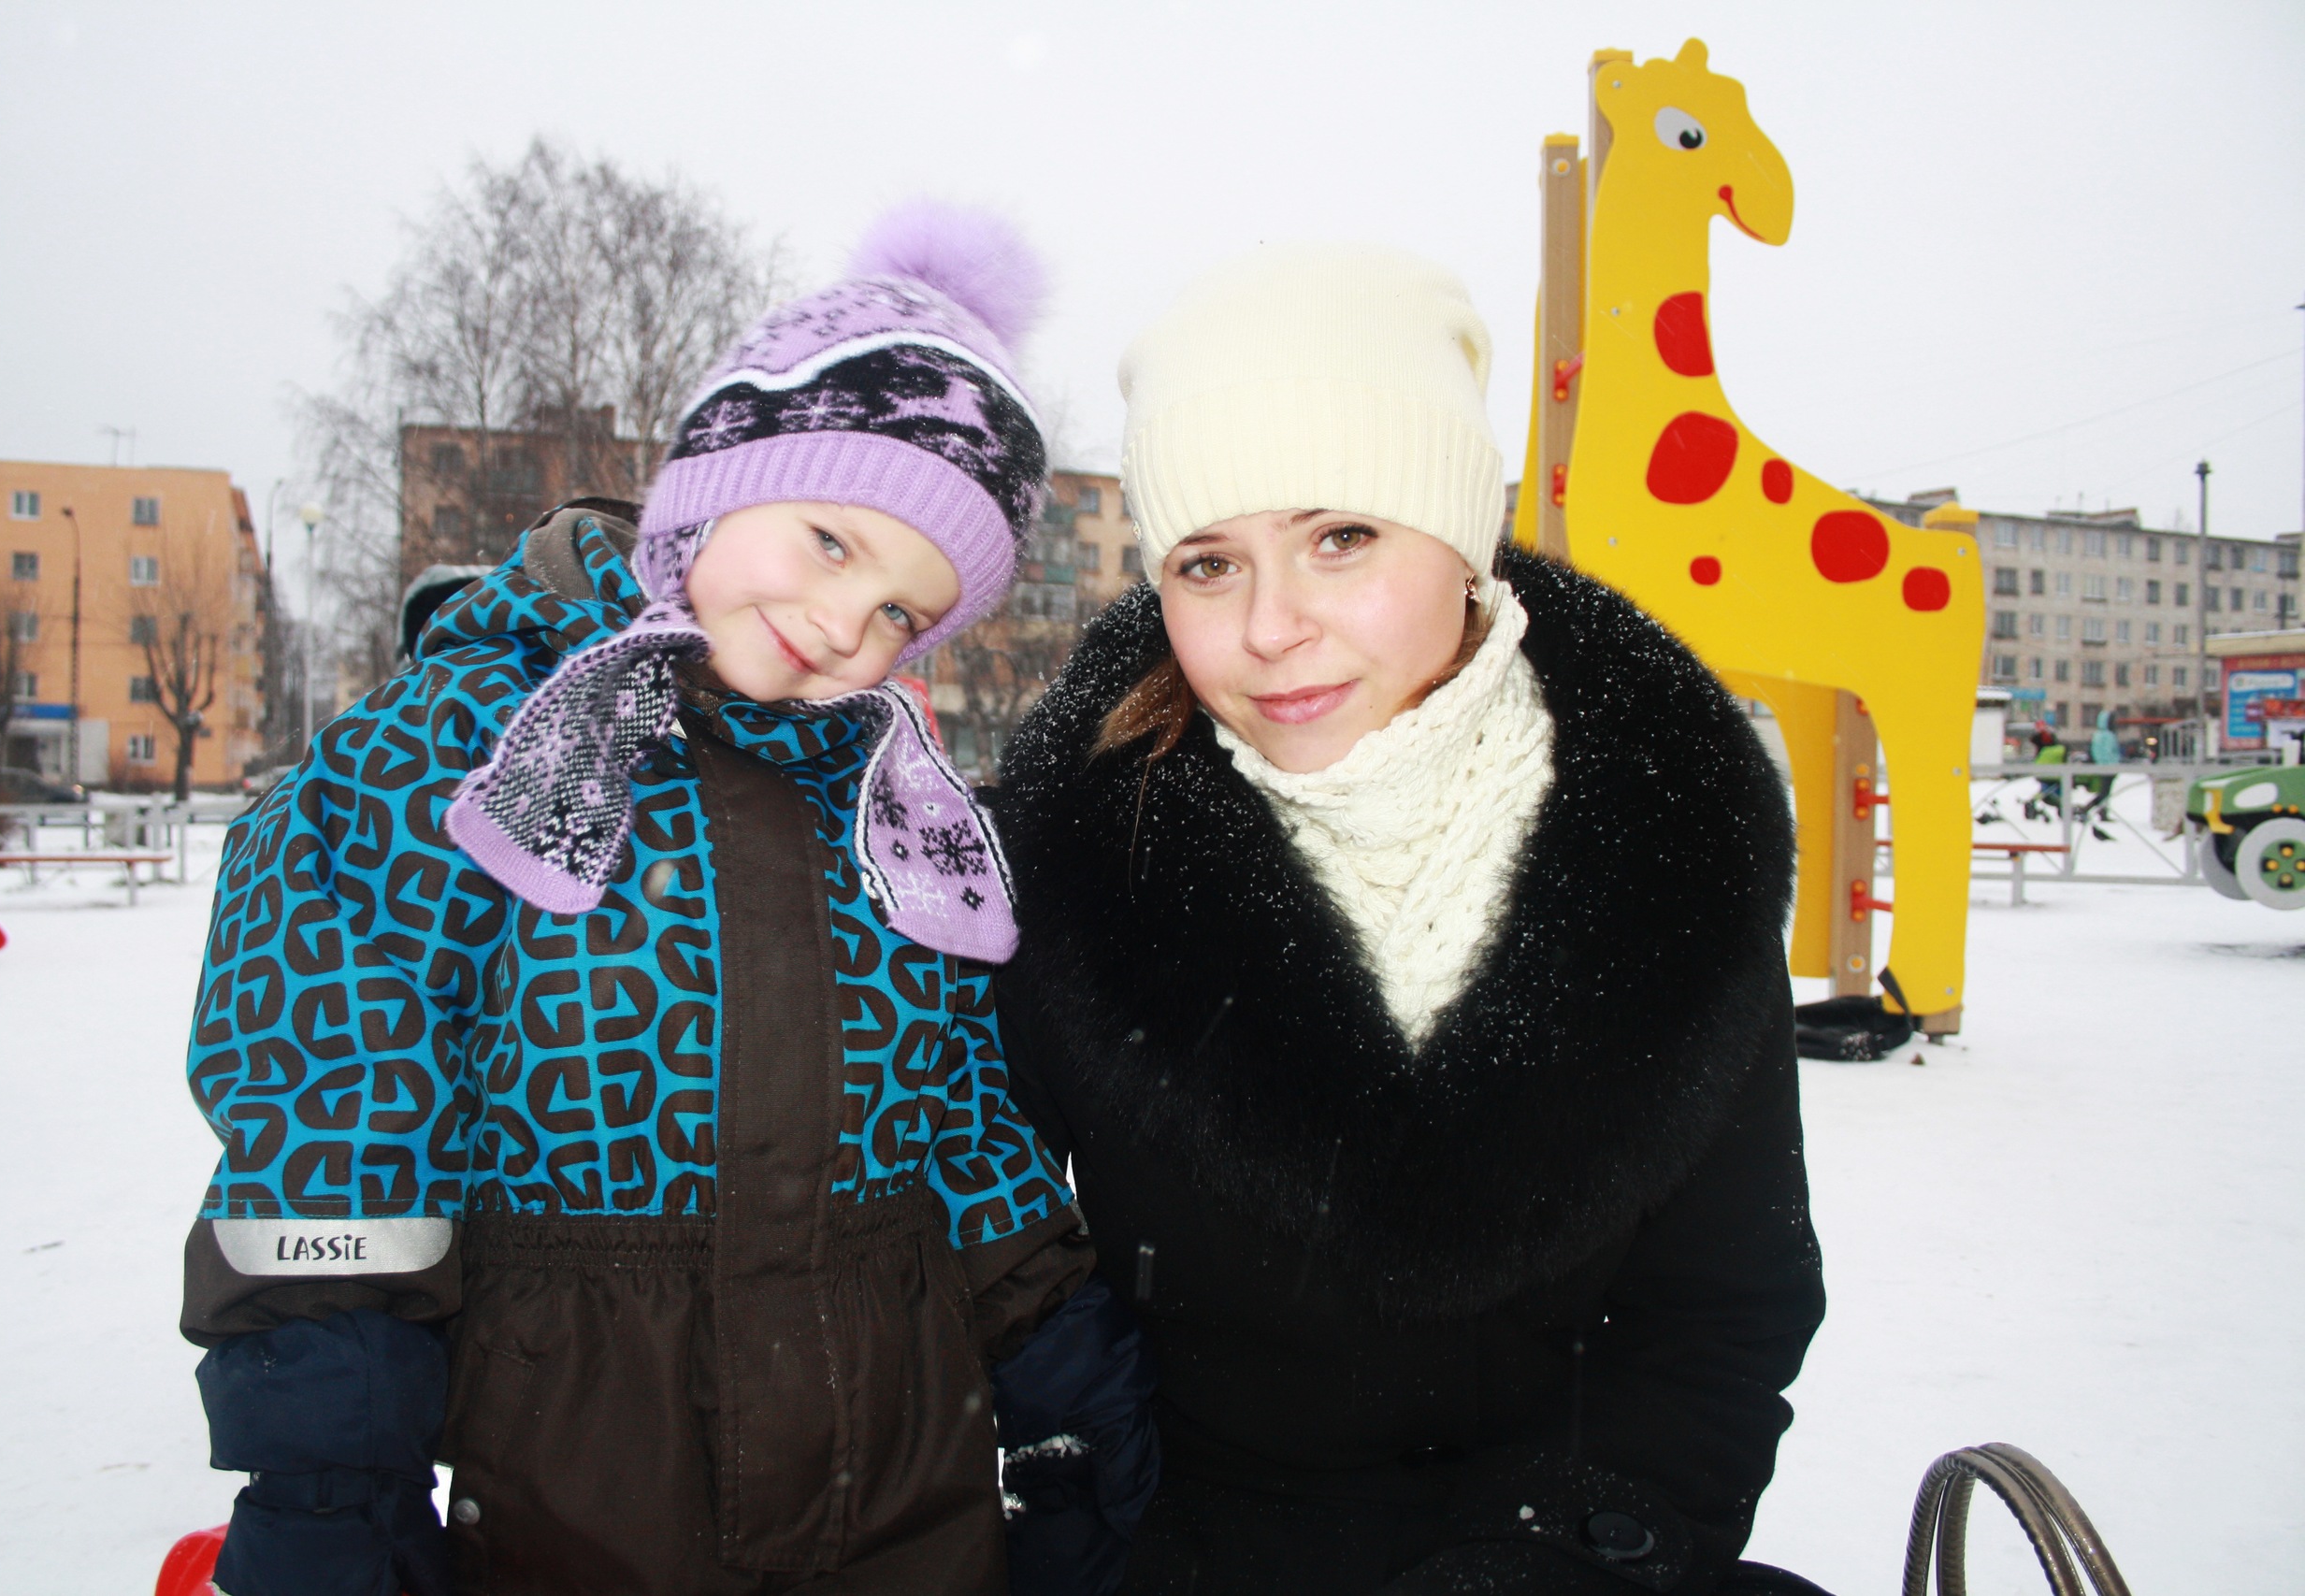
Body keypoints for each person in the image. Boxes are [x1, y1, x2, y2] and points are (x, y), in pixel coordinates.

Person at [180, 207, 1153, 1596]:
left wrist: (1067, 1372)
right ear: (717, 478)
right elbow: (333, 1121)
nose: (847, 625)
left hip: (903, 1484)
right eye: (831, 540)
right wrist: (333, 1480)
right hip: (580, 1483)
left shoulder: (889, 813)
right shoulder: (454, 753)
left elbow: (951, 1115)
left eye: (902, 612)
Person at [990, 245, 1828, 1595]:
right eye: (1208, 564)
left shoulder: (1670, 845)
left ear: (1461, 536)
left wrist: (1559, 1558)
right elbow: (980, 1246)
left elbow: (1721, 1314)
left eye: (1342, 537)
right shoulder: (1079, 862)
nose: (1271, 627)